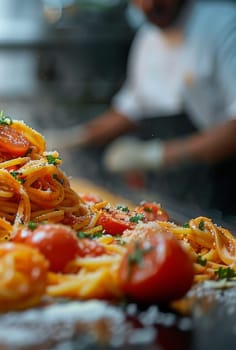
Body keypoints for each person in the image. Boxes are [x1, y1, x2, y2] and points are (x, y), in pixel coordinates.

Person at [49, 0, 236, 217]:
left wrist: (155, 155)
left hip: (222, 185)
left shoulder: (224, 24)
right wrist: (77, 137)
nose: (148, 6)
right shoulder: (148, 37)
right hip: (174, 190)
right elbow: (131, 108)